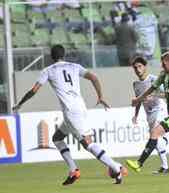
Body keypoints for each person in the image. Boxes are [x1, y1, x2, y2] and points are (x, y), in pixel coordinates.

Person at [13, 44, 127, 185]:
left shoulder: (48, 70)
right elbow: (94, 77)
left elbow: (34, 90)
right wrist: (100, 96)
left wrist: (20, 103)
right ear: (64, 54)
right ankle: (74, 169)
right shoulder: (75, 66)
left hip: (71, 112)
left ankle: (116, 167)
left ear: (51, 57)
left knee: (88, 144)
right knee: (57, 138)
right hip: (80, 107)